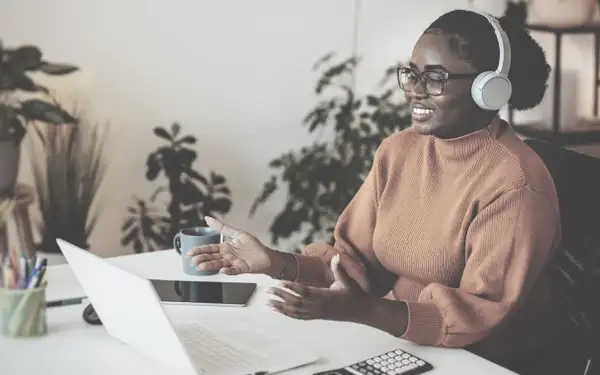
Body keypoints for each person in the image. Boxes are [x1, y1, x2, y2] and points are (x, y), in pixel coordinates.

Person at [189, 9, 567, 372]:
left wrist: (363, 310)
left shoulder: (515, 183)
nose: (415, 92)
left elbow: (477, 317)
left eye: (436, 78)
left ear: (490, 90)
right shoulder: (399, 150)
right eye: (411, 74)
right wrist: (274, 262)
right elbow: (352, 263)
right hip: (399, 341)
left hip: (482, 360)